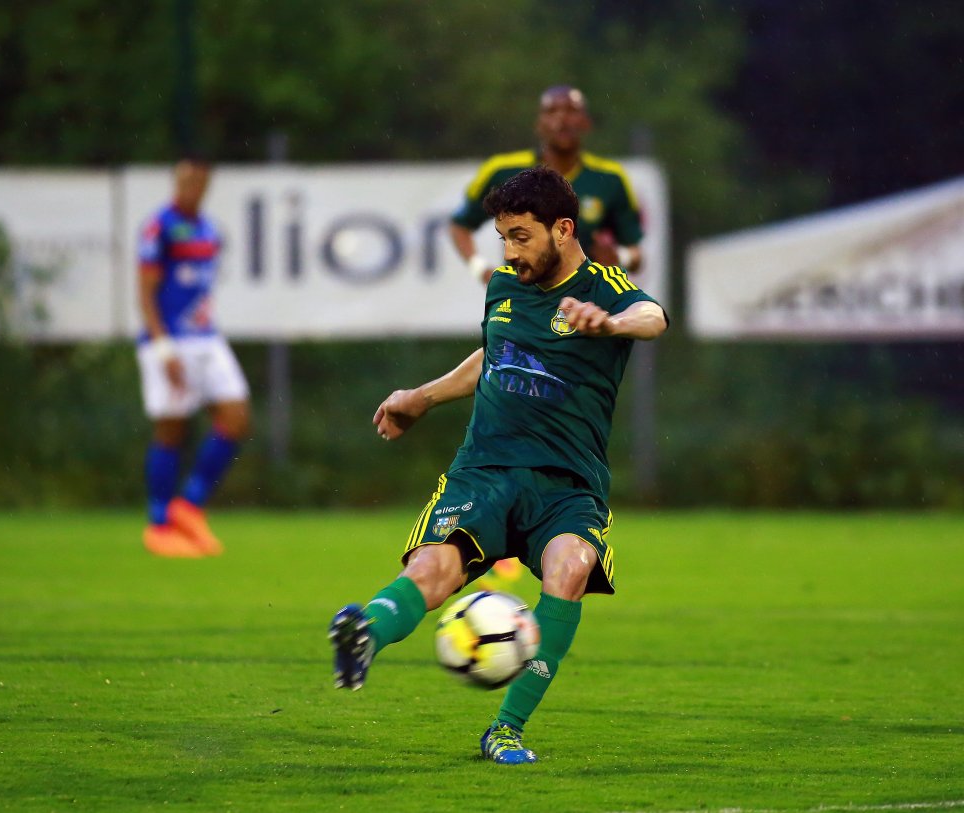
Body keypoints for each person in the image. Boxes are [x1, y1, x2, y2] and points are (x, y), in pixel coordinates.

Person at [329, 166, 668, 764]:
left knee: (569, 567)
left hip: (566, 484)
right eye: (504, 237)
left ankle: (505, 730)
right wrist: (422, 397)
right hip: (485, 469)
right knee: (434, 569)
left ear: (562, 229)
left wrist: (609, 323)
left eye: (520, 236)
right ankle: (365, 633)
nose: (509, 251)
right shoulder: (504, 287)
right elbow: (494, 353)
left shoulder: (604, 286)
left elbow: (655, 318)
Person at [135, 157, 251, 558]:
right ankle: (159, 524)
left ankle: (189, 505)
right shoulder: (159, 227)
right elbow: (146, 292)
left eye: (198, 180)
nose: (191, 187)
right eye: (185, 179)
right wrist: (162, 345)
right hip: (168, 340)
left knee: (236, 415)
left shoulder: (208, 230)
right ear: (176, 180)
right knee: (172, 428)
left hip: (205, 337)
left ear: (206, 183)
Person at [450, 85, 645, 286]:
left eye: (571, 110)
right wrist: (480, 269)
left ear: (586, 122)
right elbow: (460, 225)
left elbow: (637, 253)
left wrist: (620, 257)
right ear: (539, 124)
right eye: (552, 111)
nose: (562, 119)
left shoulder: (609, 178)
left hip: (584, 305)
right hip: (521, 304)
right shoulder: (503, 171)